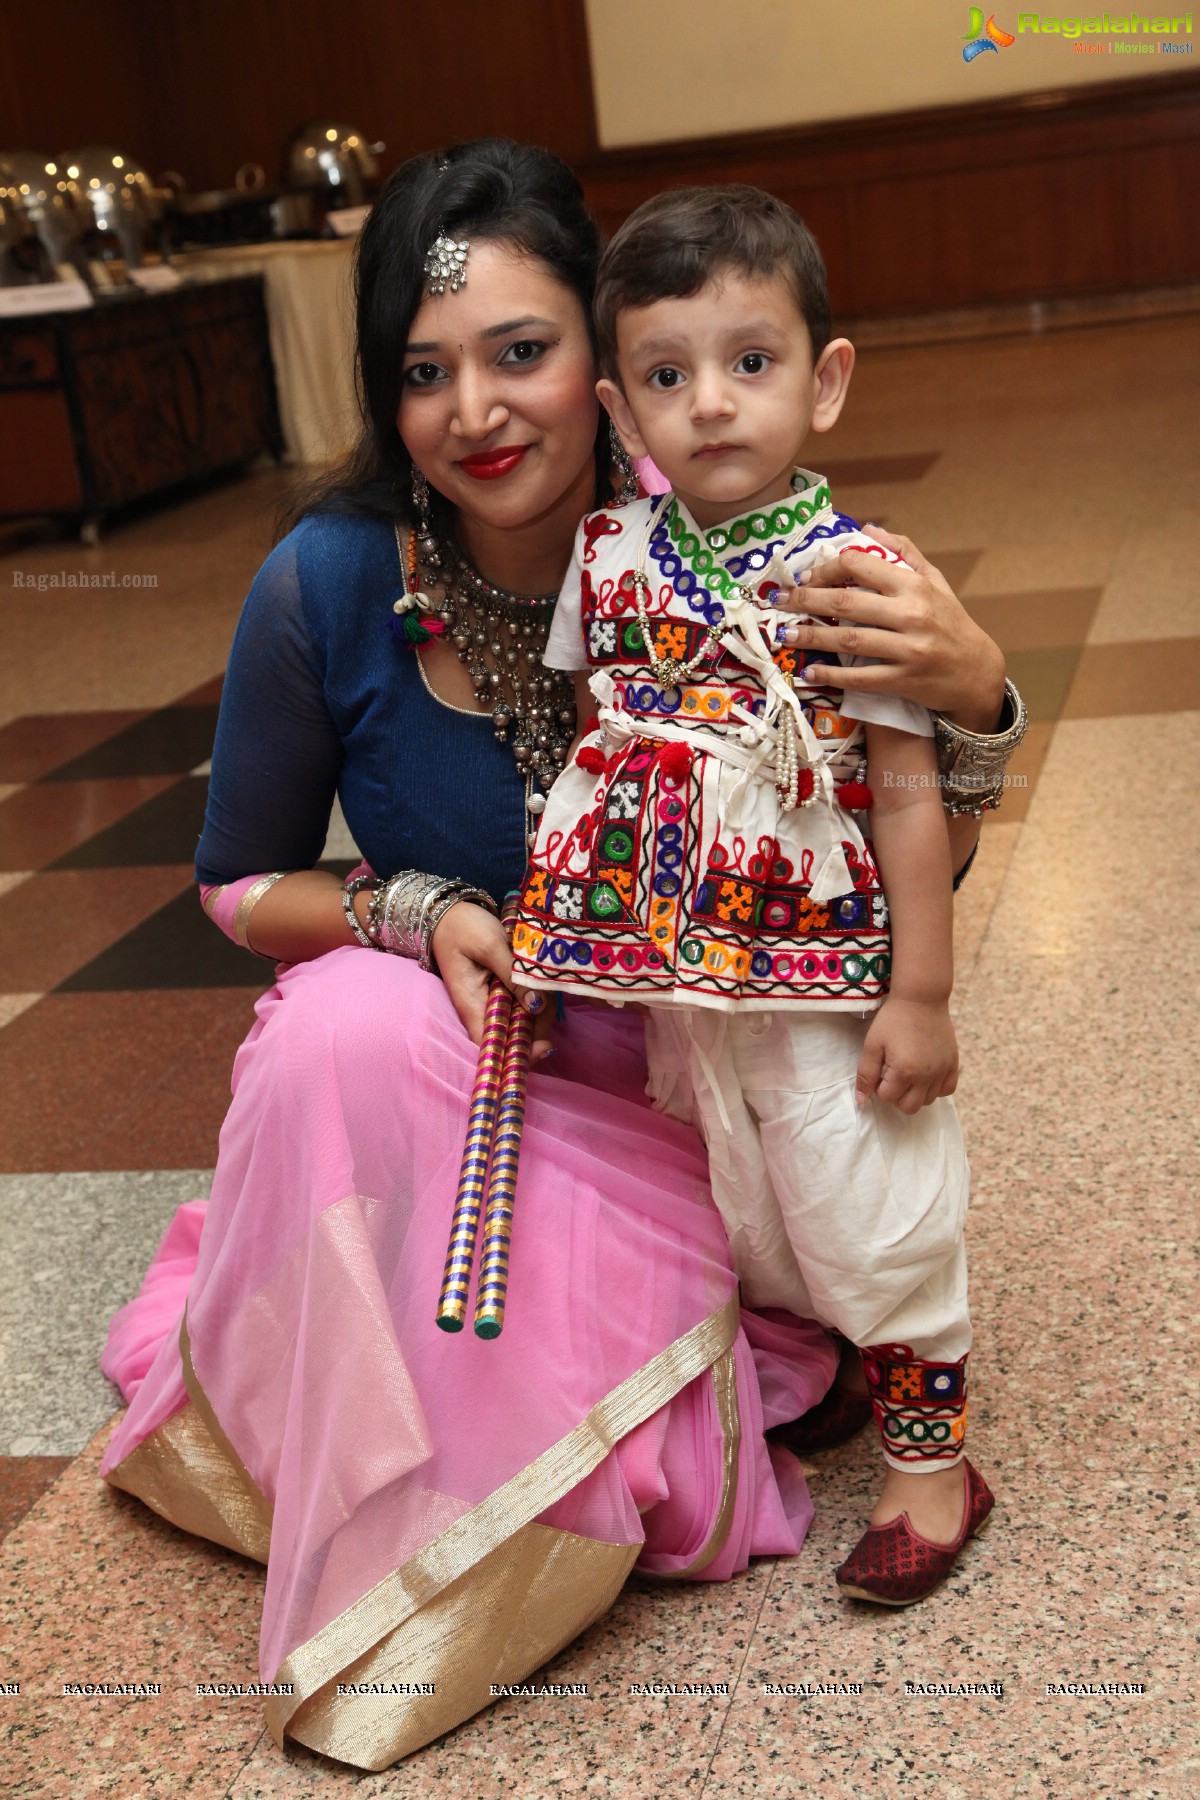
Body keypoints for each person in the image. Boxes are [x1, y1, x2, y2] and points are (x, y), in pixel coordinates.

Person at [98, 143, 1023, 1770]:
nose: (478, 412)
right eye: (424, 372)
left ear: (605, 361)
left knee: (813, 1201)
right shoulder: (325, 584)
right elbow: (235, 885)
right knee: (337, 1031)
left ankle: (639, 1395)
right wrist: (417, 914)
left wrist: (977, 701)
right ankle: (427, 1516)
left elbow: (870, 839)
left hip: (687, 1081)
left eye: (522, 353)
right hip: (469, 1074)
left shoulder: (723, 540)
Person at [511, 186, 1027, 1606]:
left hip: (825, 959)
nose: (714, 404)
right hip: (675, 966)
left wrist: (920, 993)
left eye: (754, 362)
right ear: (624, 407)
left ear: (828, 377)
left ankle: (938, 1469)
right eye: (670, 377)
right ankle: (832, 1362)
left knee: (867, 1192)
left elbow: (906, 791)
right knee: (746, 1200)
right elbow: (592, 738)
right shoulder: (609, 555)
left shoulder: (860, 574)